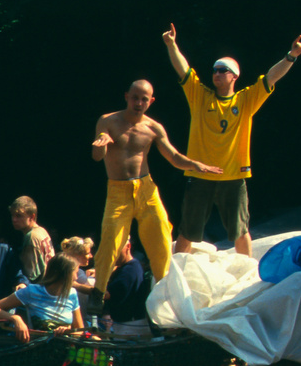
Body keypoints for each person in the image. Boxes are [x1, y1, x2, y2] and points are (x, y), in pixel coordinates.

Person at [160, 24, 301, 256]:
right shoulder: (200, 97)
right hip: (200, 175)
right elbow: (183, 69)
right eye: (215, 70)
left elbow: (271, 77)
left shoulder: (245, 100)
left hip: (234, 176)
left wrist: (291, 56)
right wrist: (171, 44)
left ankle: (247, 277)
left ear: (235, 76)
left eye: (222, 70)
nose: (216, 73)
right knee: (187, 231)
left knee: (240, 230)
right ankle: (176, 282)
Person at [90, 81, 219, 292]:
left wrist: (194, 164)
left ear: (151, 101)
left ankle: (164, 291)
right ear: (126, 96)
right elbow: (97, 157)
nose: (139, 103)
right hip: (118, 192)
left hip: (146, 189)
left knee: (161, 237)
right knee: (111, 240)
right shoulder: (108, 121)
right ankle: (98, 292)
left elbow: (174, 156)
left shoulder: (153, 127)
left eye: (144, 99)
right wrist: (102, 144)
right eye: (135, 97)